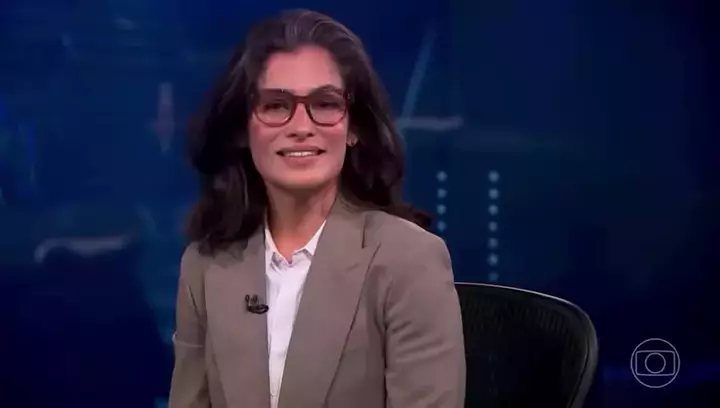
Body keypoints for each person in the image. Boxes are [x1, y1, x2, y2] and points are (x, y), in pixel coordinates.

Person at [169, 9, 465, 408]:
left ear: (354, 127)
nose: (301, 126)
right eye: (276, 106)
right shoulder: (205, 266)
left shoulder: (409, 261)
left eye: (325, 104)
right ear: (242, 128)